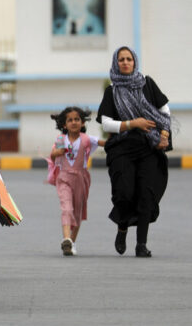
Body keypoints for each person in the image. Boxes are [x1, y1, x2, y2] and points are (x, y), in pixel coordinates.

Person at [96, 46, 171, 258]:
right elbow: (107, 123)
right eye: (121, 59)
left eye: (129, 59)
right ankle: (122, 228)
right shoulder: (112, 91)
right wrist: (133, 123)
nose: (126, 62)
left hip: (148, 147)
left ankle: (141, 244)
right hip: (122, 148)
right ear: (116, 63)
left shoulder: (147, 84)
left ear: (135, 62)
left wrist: (164, 134)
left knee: (146, 194)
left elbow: (164, 111)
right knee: (124, 193)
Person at [47, 107, 105, 256]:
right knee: (67, 208)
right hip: (64, 177)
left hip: (81, 178)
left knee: (78, 212)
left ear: (83, 123)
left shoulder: (87, 139)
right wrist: (56, 153)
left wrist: (119, 137)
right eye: (70, 120)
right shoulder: (61, 140)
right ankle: (66, 238)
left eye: (77, 119)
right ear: (64, 125)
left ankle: (71, 242)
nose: (74, 122)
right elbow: (53, 157)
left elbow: (104, 143)